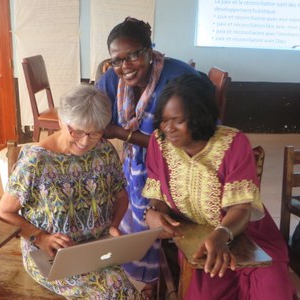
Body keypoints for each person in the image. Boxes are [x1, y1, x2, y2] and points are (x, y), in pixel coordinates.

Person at [142, 74, 298, 300]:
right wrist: (154, 214)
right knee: (207, 291)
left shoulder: (233, 143)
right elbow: (158, 197)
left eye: (178, 120)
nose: (169, 128)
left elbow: (241, 209)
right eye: (164, 120)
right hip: (198, 240)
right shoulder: (159, 143)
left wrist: (222, 234)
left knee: (271, 287)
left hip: (245, 234)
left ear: (199, 116)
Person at [0, 84, 141, 299]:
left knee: (120, 289)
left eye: (95, 133)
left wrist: (113, 225)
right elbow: (4, 213)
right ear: (61, 121)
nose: (84, 142)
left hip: (96, 248)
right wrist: (41, 238)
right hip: (51, 253)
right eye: (76, 131)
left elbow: (120, 196)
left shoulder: (104, 150)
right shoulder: (37, 161)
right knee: (111, 294)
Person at [95, 17, 206, 298]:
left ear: (149, 50)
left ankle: (149, 277)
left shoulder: (178, 78)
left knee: (143, 200)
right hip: (137, 163)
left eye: (133, 55)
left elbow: (182, 143)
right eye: (117, 60)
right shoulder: (111, 79)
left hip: (181, 164)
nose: (126, 66)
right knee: (106, 191)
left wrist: (121, 132)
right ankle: (133, 261)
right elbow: (94, 116)